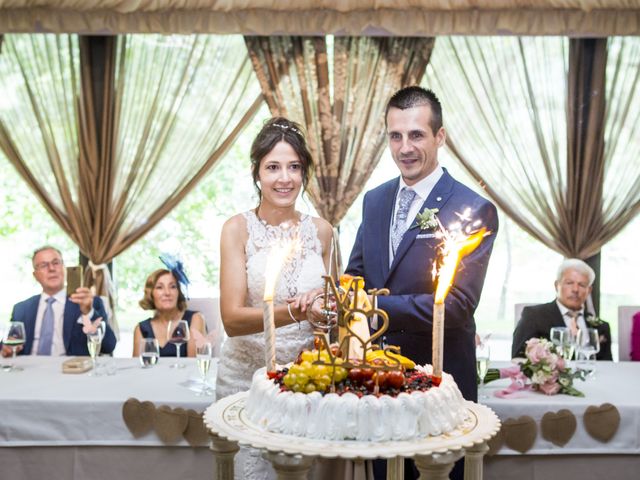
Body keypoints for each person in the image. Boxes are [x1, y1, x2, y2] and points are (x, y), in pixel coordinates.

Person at [345, 86, 498, 480]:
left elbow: (459, 304)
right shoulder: (374, 200)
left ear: (440, 137)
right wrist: (341, 295)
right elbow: (358, 272)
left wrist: (372, 308)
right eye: (395, 136)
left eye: (416, 135)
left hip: (440, 381)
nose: (404, 147)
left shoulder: (472, 208)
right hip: (377, 380)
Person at [216, 117, 333, 480]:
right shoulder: (237, 229)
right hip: (248, 382)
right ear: (256, 173)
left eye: (294, 167)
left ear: (304, 173)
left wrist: (329, 311)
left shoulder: (323, 231)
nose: (285, 178)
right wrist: (299, 312)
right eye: (273, 167)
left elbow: (332, 311)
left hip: (308, 385)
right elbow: (233, 320)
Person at [2, 245, 116, 357]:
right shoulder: (21, 309)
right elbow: (8, 343)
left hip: (70, 372)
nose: (51, 269)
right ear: (35, 275)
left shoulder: (90, 302)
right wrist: (6, 347)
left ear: (64, 268)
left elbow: (108, 346)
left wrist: (88, 312)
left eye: (56, 263)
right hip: (28, 370)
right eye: (43, 265)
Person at [512, 258, 612, 360]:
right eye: (569, 283)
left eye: (582, 285)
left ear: (589, 290)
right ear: (557, 285)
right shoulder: (533, 316)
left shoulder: (602, 327)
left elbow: (609, 367)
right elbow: (518, 359)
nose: (575, 289)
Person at [132, 268, 206, 358]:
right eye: (160, 287)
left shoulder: (195, 319)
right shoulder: (141, 329)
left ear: (178, 292)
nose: (167, 293)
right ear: (151, 294)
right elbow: (137, 369)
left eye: (173, 286)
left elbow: (194, 364)